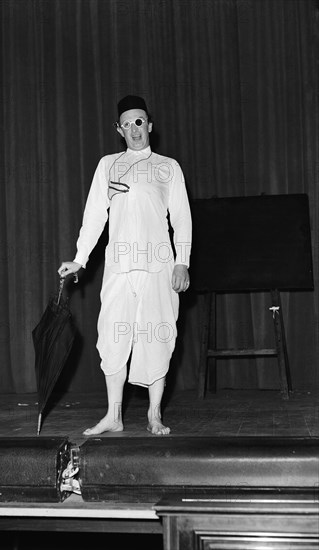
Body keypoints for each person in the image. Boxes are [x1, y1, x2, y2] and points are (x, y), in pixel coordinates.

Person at [58, 95, 192, 436]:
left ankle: (154, 415)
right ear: (119, 130)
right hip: (119, 267)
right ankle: (114, 416)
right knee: (113, 337)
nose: (134, 129)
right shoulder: (108, 165)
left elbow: (182, 218)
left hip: (158, 267)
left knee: (159, 336)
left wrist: (182, 262)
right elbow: (93, 217)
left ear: (149, 126)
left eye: (140, 121)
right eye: (127, 123)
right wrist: (79, 259)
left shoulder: (168, 167)